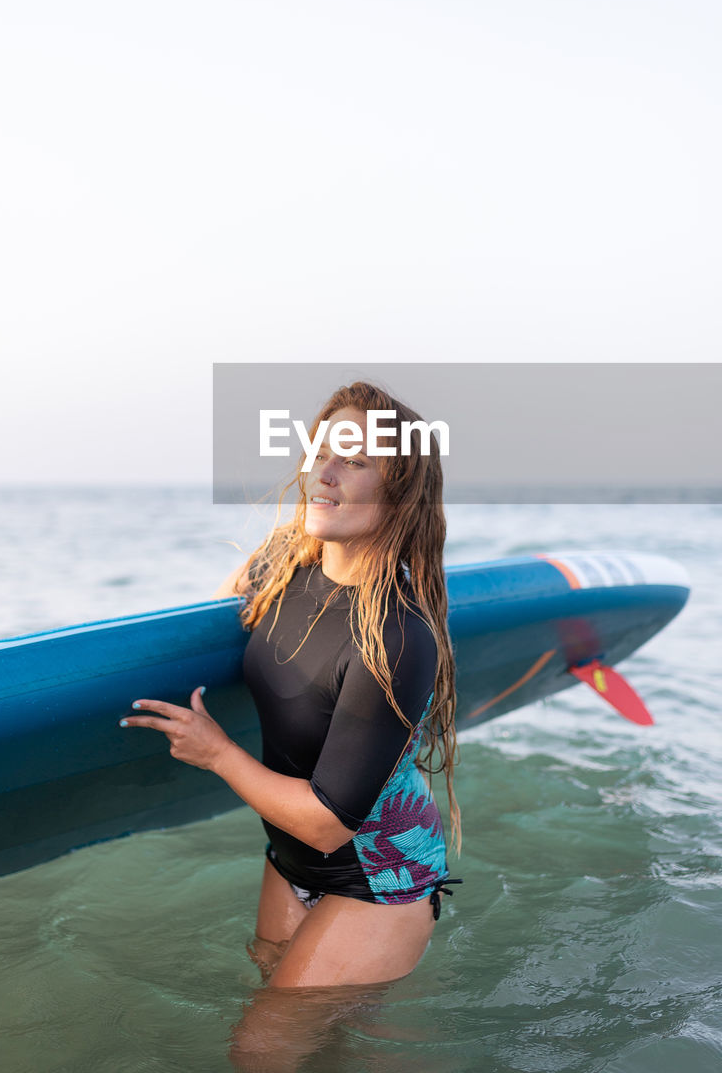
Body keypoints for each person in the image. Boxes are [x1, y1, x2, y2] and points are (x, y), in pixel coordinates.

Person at [121, 381, 460, 1001]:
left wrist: (217, 752)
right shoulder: (284, 565)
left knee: (261, 1054)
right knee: (322, 1034)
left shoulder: (396, 635)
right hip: (291, 857)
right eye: (321, 453)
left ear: (401, 494)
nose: (323, 474)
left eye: (355, 462)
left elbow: (331, 823)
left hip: (377, 873)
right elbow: (223, 615)